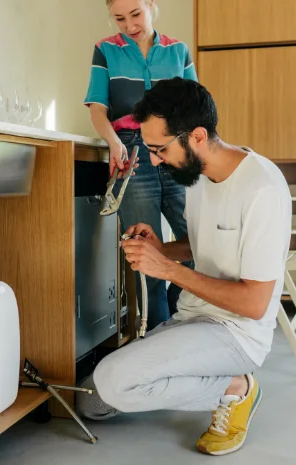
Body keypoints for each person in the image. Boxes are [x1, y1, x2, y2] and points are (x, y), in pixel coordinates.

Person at [76, 78, 292, 456]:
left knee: (114, 382)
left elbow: (255, 304)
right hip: (193, 319)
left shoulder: (262, 189)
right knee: (92, 403)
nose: (156, 161)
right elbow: (207, 243)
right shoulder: (197, 178)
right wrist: (164, 249)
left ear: (196, 136)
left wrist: (169, 270)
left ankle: (237, 388)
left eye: (160, 149)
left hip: (236, 333)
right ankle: (201, 375)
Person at [84, 0, 197, 326]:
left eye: (135, 14)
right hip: (130, 151)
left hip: (176, 149)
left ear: (151, 5)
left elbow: (194, 105)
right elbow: (97, 107)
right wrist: (114, 142)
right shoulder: (106, 50)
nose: (130, 24)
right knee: (143, 250)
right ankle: (156, 335)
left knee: (193, 241)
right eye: (119, 18)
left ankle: (187, 325)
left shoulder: (178, 51)